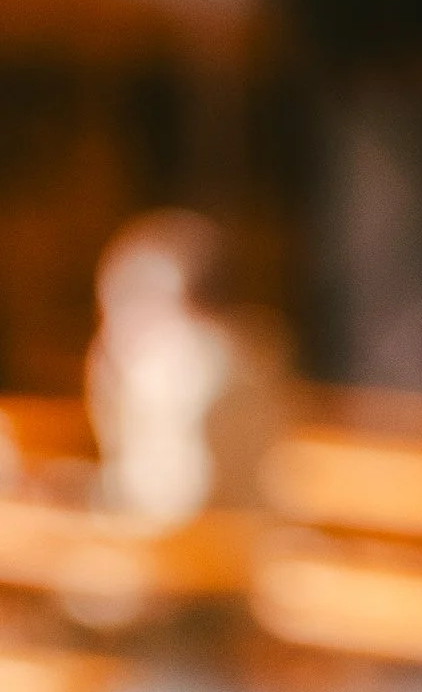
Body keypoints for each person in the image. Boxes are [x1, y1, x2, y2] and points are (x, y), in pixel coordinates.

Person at [85, 211, 286, 525]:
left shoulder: (181, 371)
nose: (110, 336)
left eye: (126, 308)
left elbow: (177, 501)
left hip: (201, 559)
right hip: (236, 545)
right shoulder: (246, 356)